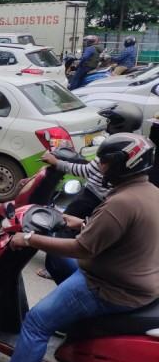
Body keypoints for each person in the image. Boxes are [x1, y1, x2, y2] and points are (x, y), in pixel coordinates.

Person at [5, 132, 159, 362]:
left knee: (36, 322)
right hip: (138, 282)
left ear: (122, 165)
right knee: (59, 262)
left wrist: (28, 238)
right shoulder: (151, 192)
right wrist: (84, 224)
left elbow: (81, 248)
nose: (101, 167)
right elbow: (124, 233)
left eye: (105, 162)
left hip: (109, 289)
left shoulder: (122, 202)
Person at [38, 102, 143, 282]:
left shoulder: (114, 148)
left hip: (92, 197)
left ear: (120, 123)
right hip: (107, 200)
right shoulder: (132, 145)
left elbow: (86, 171)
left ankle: (55, 267)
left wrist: (56, 163)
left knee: (63, 227)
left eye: (111, 120)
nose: (107, 124)